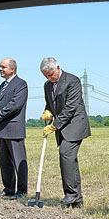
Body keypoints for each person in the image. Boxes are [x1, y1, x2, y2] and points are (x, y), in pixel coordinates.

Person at [40, 57, 91, 208]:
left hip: (75, 124)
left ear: (57, 67)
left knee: (65, 154)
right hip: (62, 126)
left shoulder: (72, 81)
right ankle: (77, 199)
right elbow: (50, 103)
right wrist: (47, 111)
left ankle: (70, 195)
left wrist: (54, 125)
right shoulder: (47, 85)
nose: (50, 78)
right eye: (46, 76)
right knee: (70, 160)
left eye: (51, 75)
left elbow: (71, 107)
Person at [0, 57, 28, 200]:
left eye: (3, 67)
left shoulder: (21, 84)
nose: (0, 69)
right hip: (2, 129)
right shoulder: (2, 85)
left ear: (12, 69)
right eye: (0, 67)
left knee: (18, 161)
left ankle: (21, 191)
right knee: (5, 162)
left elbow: (15, 105)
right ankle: (9, 188)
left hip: (14, 129)